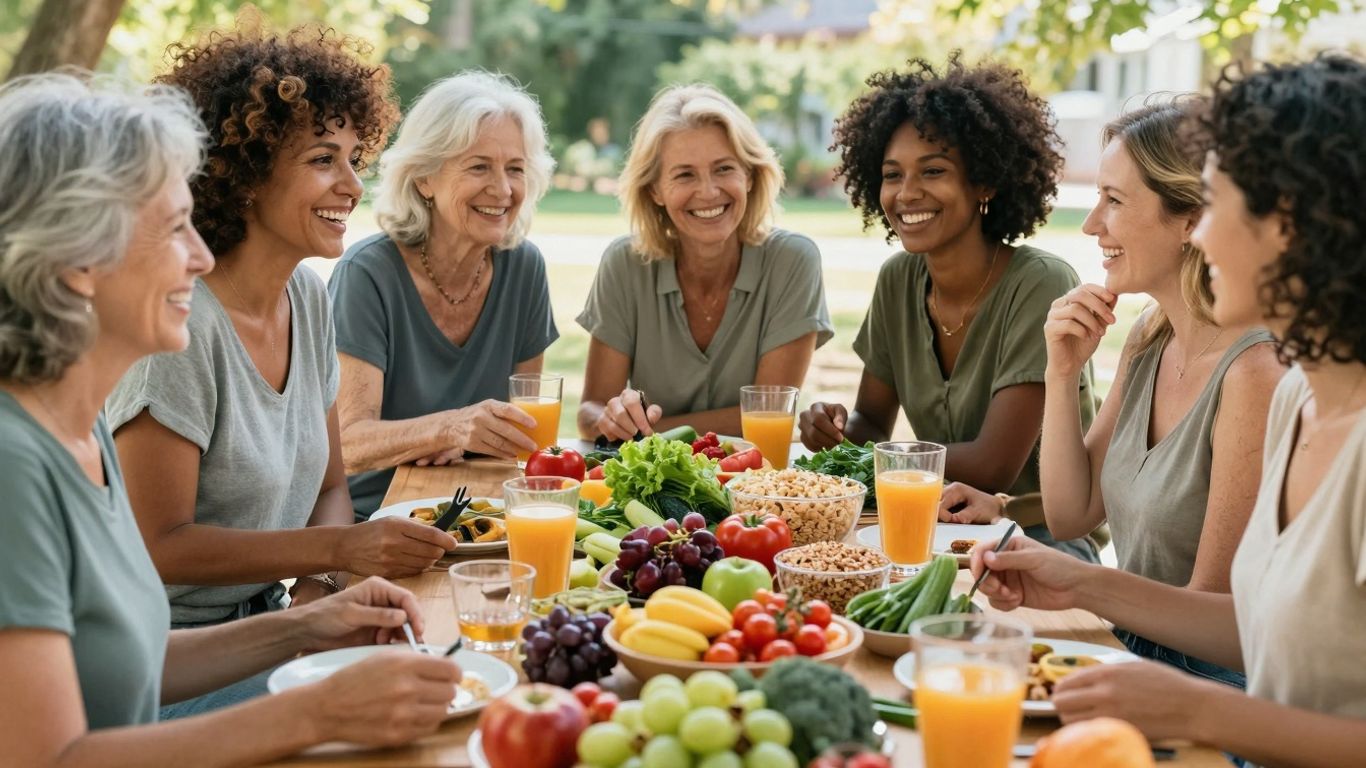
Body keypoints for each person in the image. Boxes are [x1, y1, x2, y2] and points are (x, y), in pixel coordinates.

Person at [0, 72, 462, 767]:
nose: (202, 255)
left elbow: (132, 664)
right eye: (171, 227)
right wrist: (313, 712)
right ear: (77, 261)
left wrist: (308, 623)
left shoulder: (79, 429)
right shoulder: (14, 467)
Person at [970, 54, 1366, 767]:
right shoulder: (1305, 400)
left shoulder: (1292, 396)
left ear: (1297, 221)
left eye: (1217, 205)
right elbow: (1259, 633)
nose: (1204, 234)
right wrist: (1078, 581)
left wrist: (1196, 708)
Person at [106, 21, 455, 633]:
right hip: (164, 655)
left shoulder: (308, 297)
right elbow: (158, 544)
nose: (351, 186)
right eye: (323, 160)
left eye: (354, 159)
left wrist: (318, 591)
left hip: (268, 623)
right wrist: (340, 552)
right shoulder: (180, 326)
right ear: (243, 174)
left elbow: (329, 490)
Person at [940, 103, 1285, 685]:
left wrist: (1077, 582)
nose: (1091, 223)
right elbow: (1074, 514)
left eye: (1114, 200)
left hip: (1205, 690)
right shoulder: (1152, 333)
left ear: (1190, 220)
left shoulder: (1254, 372)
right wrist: (1060, 371)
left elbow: (1216, 618)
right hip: (1128, 651)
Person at [799, 54, 1097, 559]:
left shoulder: (1040, 283)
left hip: (1035, 537)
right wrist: (832, 428)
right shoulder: (898, 280)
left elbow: (992, 464)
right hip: (933, 519)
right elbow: (871, 422)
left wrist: (864, 457)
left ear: (983, 182)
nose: (907, 193)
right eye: (892, 175)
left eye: (932, 171)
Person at [329, 71, 558, 519]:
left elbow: (526, 434)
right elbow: (347, 444)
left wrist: (449, 438)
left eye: (515, 168)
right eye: (479, 166)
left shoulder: (524, 267)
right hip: (377, 518)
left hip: (485, 512)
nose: (503, 189)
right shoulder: (367, 274)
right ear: (424, 179)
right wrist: (448, 430)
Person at [577, 83, 833, 442]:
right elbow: (591, 409)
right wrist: (609, 418)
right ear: (655, 189)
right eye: (684, 175)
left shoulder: (792, 261)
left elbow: (771, 414)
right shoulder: (624, 265)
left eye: (724, 168)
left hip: (758, 485)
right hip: (658, 486)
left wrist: (644, 431)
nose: (709, 191)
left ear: (750, 174)